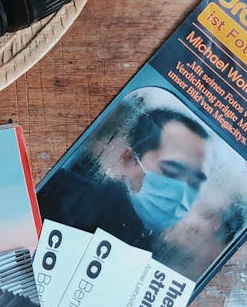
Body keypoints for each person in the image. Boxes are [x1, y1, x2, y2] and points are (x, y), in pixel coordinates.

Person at [39, 105, 210, 250]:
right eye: (171, 170)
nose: (182, 191)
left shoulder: (159, 253)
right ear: (129, 160)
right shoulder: (61, 198)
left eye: (195, 181)